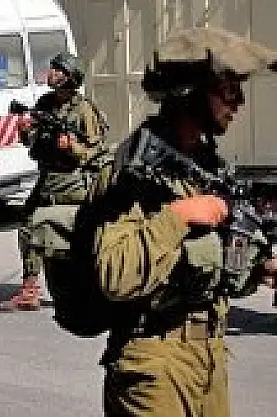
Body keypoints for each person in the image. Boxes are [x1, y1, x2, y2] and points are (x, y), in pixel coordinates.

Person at [89, 27, 277, 416]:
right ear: (190, 92)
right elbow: (114, 274)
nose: (239, 102)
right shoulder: (135, 170)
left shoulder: (204, 167)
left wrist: (261, 269)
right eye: (228, 90)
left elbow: (210, 267)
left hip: (208, 356)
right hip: (154, 365)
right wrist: (178, 216)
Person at [0, 52, 110, 312]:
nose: (52, 73)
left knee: (66, 232)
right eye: (53, 68)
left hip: (74, 181)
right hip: (49, 178)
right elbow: (35, 141)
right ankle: (30, 289)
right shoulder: (46, 103)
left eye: (58, 69)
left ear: (70, 77)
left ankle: (95, 284)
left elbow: (98, 153)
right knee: (28, 225)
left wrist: (72, 147)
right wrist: (26, 132)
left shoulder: (84, 110)